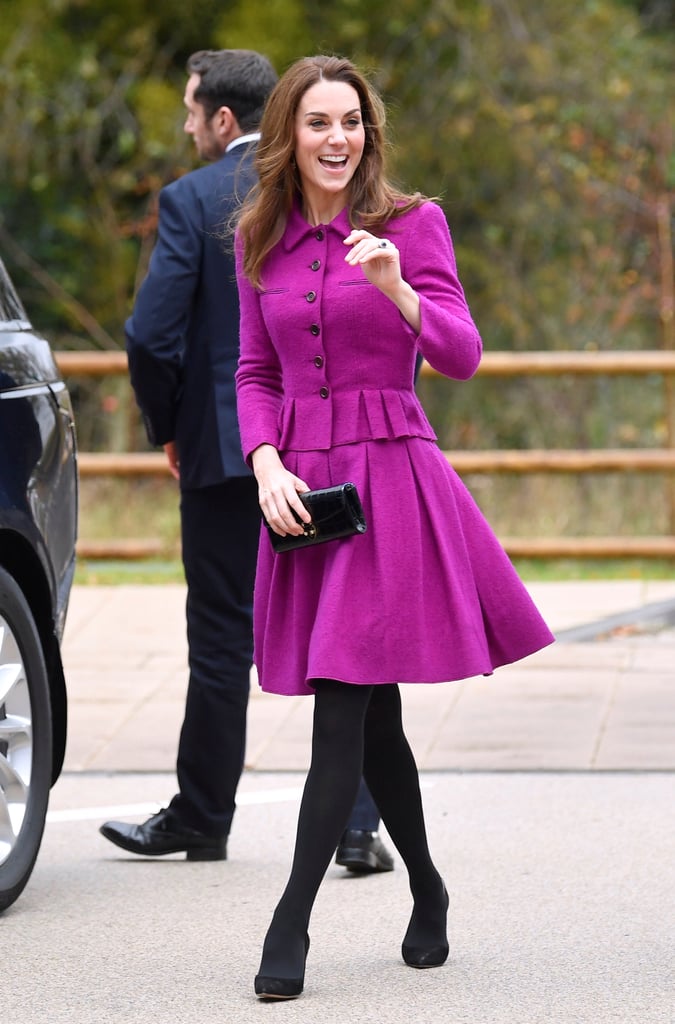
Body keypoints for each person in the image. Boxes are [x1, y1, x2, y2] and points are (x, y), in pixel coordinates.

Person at [234, 55, 555, 1000]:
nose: (338, 139)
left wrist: (399, 291)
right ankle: (428, 887)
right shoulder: (260, 238)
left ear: (369, 134)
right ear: (288, 134)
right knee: (373, 721)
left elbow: (460, 355)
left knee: (342, 700)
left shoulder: (413, 226)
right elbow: (254, 373)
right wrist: (263, 465)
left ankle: (288, 921)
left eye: (352, 122)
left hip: (392, 487)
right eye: (318, 122)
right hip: (305, 489)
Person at [99, 49, 393, 873]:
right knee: (343, 631)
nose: (189, 125)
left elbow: (150, 335)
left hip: (226, 457)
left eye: (193, 110)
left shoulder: (193, 200)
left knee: (222, 640)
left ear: (225, 118)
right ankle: (357, 826)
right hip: (324, 451)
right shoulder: (341, 194)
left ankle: (202, 816)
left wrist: (171, 426)